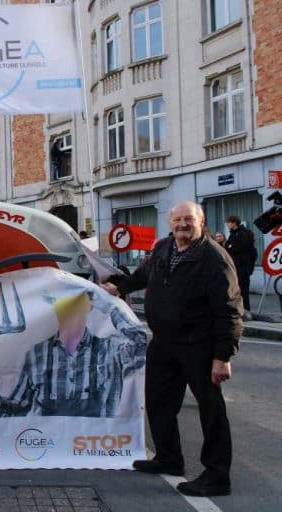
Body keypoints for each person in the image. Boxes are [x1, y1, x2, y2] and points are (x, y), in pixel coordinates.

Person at [100, 201, 242, 497]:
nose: (182, 225)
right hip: (164, 343)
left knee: (211, 412)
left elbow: (229, 308)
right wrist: (120, 288)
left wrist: (222, 357)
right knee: (158, 402)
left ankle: (217, 477)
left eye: (188, 219)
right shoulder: (165, 247)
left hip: (199, 346)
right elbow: (143, 275)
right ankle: (169, 458)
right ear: (170, 223)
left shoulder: (214, 258)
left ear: (201, 221)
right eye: (177, 220)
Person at [0, 287, 147, 418]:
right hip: (49, 451)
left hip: (96, 450)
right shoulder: (37, 354)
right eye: (63, 302)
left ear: (89, 306)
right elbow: (16, 408)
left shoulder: (111, 350)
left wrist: (107, 303)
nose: (69, 308)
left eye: (76, 302)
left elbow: (140, 340)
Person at [225, 215, 256, 319]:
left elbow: (237, 248)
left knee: (243, 290)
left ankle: (246, 312)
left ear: (234, 223)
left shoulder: (243, 233)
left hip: (242, 267)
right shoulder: (233, 234)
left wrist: (231, 247)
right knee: (236, 290)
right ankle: (239, 310)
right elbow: (228, 246)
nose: (228, 224)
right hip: (235, 267)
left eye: (229, 222)